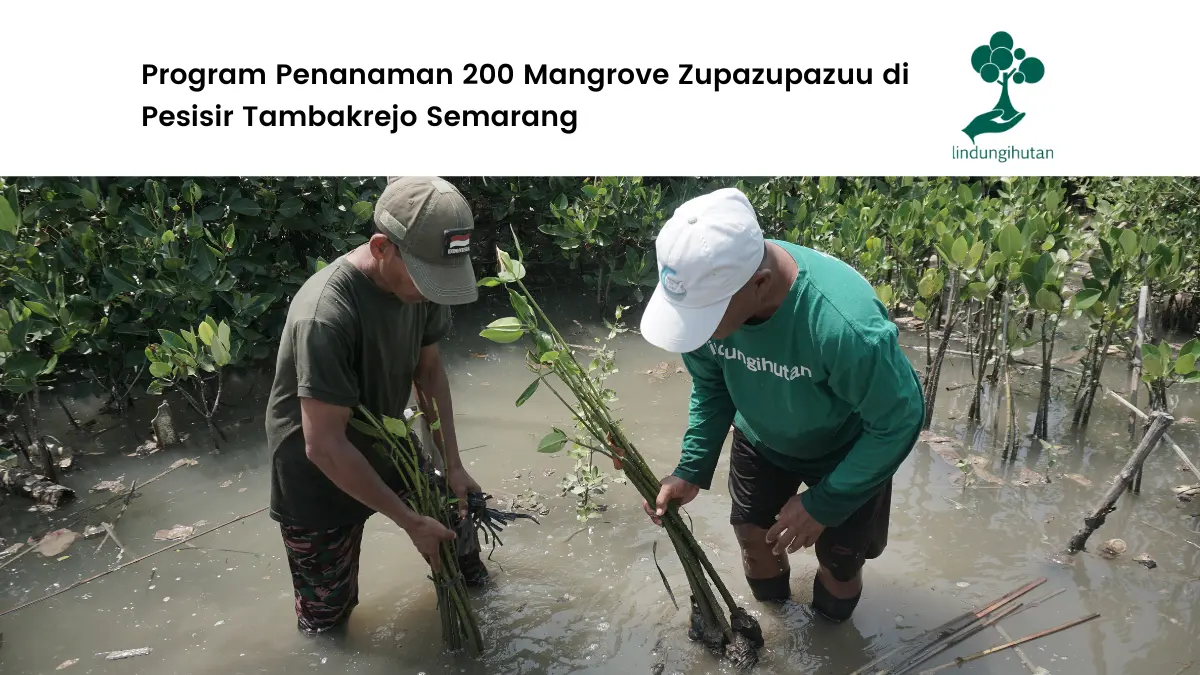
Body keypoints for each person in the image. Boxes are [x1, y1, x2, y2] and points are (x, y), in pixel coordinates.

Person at [637, 187, 925, 624]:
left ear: (760, 284)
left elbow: (898, 421)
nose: (698, 331)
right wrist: (691, 468)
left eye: (707, 317)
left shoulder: (844, 326)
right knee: (754, 536)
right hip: (761, 436)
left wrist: (824, 504)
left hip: (846, 448)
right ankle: (777, 623)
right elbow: (713, 386)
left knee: (839, 559)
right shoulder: (705, 316)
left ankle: (829, 641)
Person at [266, 176, 487, 635]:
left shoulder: (422, 288)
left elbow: (426, 372)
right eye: (425, 278)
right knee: (328, 618)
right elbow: (323, 445)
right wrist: (408, 522)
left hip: (389, 442)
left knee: (459, 536)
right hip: (318, 475)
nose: (432, 291)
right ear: (383, 247)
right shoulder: (325, 314)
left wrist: (453, 463)